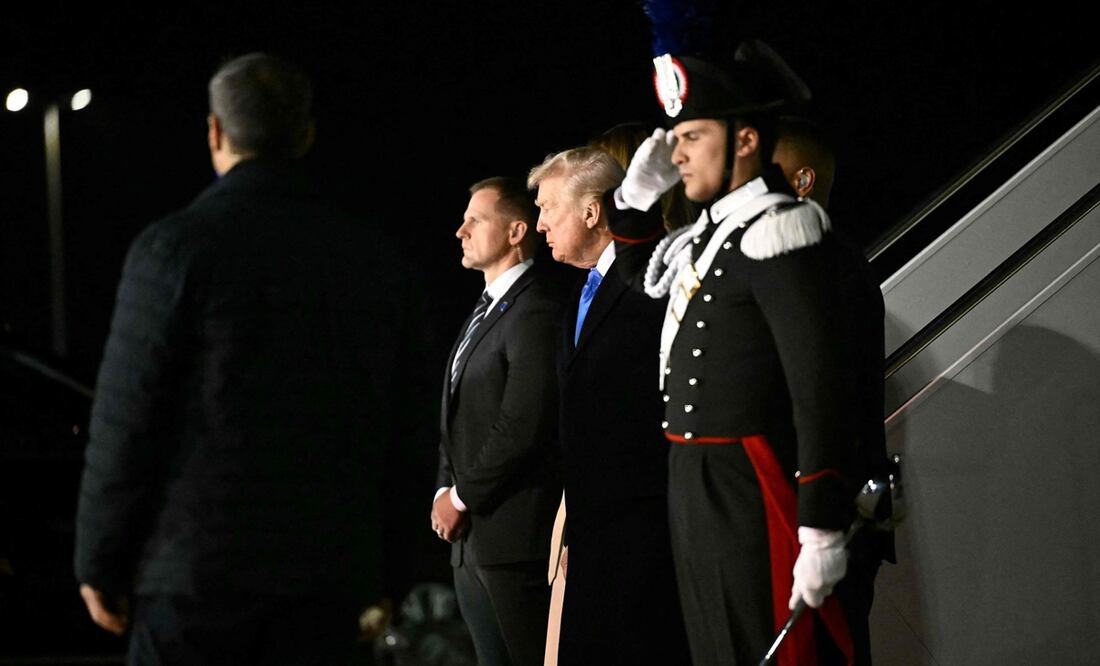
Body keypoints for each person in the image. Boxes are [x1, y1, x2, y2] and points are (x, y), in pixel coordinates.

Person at [73, 52, 430, 664]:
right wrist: (392, 570)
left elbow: (127, 418)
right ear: (306, 133)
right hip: (326, 579)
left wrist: (99, 559)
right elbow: (406, 424)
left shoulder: (173, 248)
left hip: (192, 576)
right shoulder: (371, 261)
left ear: (215, 131)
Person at [615, 40, 883, 663]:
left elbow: (818, 389)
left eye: (693, 134)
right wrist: (634, 198)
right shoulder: (712, 233)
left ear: (744, 140)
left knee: (765, 645)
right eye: (674, 135)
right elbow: (634, 278)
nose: (676, 151)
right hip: (694, 479)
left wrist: (819, 524)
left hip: (750, 481)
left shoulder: (780, 227)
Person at [527, 146, 690, 665]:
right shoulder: (581, 291)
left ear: (592, 211)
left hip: (647, 533)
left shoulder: (651, 281)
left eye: (548, 207)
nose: (539, 224)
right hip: (596, 531)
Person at [431, 176, 565, 666]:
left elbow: (522, 423)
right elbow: (457, 412)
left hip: (512, 542)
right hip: (469, 541)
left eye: (476, 220)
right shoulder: (484, 310)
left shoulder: (536, 310)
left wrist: (462, 497)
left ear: (515, 232)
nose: (460, 231)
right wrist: (443, 492)